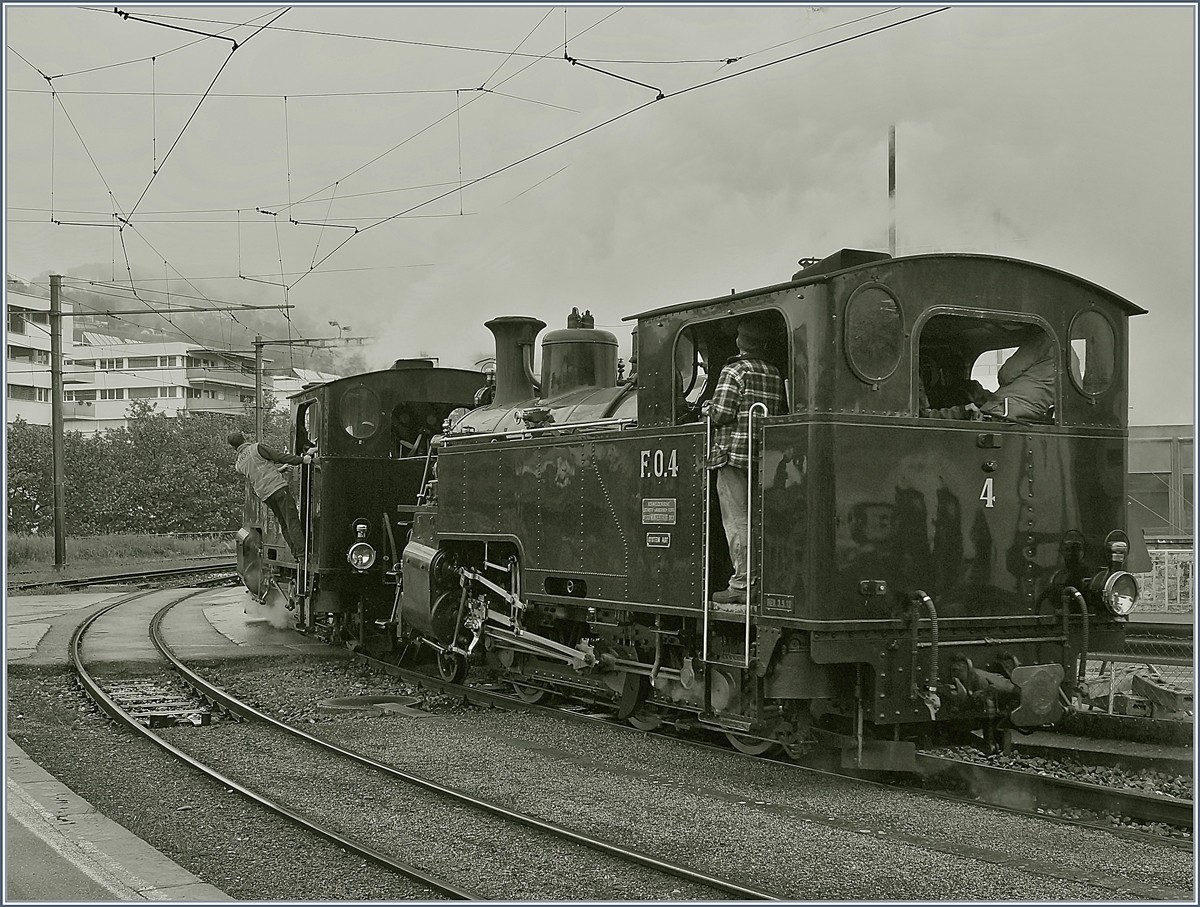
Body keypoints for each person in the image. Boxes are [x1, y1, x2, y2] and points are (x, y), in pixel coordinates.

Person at [701, 319, 788, 605]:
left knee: (737, 522)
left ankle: (741, 583)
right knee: (758, 521)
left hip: (733, 454)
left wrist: (707, 409)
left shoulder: (735, 370)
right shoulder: (774, 373)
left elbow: (723, 412)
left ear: (740, 342)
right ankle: (762, 579)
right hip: (764, 456)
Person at [228, 431, 312, 559]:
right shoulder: (257, 448)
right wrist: (302, 460)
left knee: (283, 523)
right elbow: (279, 457)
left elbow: (257, 473)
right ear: (244, 439)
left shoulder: (239, 465)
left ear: (233, 447)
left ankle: (297, 554)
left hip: (266, 496)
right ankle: (303, 553)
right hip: (278, 488)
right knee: (292, 520)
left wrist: (279, 470)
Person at [978, 333, 1055, 422]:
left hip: (1006, 409)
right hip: (1036, 413)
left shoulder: (1042, 339)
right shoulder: (1070, 354)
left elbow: (1006, 374)